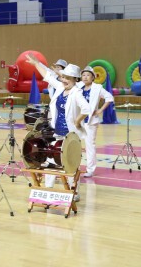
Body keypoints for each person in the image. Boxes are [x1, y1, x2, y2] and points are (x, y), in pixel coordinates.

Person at [25, 54, 89, 195]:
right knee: (51, 160)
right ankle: (48, 190)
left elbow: (86, 109)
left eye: (68, 78)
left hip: (71, 136)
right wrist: (36, 63)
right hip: (57, 132)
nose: (64, 80)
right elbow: (48, 75)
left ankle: (74, 192)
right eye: (64, 77)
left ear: (75, 80)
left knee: (70, 163)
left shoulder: (77, 93)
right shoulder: (60, 88)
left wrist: (77, 122)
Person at [79, 66, 114, 178]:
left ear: (93, 77)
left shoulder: (97, 88)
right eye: (83, 75)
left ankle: (90, 169)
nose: (85, 77)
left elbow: (109, 98)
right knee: (74, 143)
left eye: (88, 75)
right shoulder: (78, 87)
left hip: (90, 121)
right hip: (78, 120)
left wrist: (99, 110)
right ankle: (75, 167)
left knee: (90, 145)